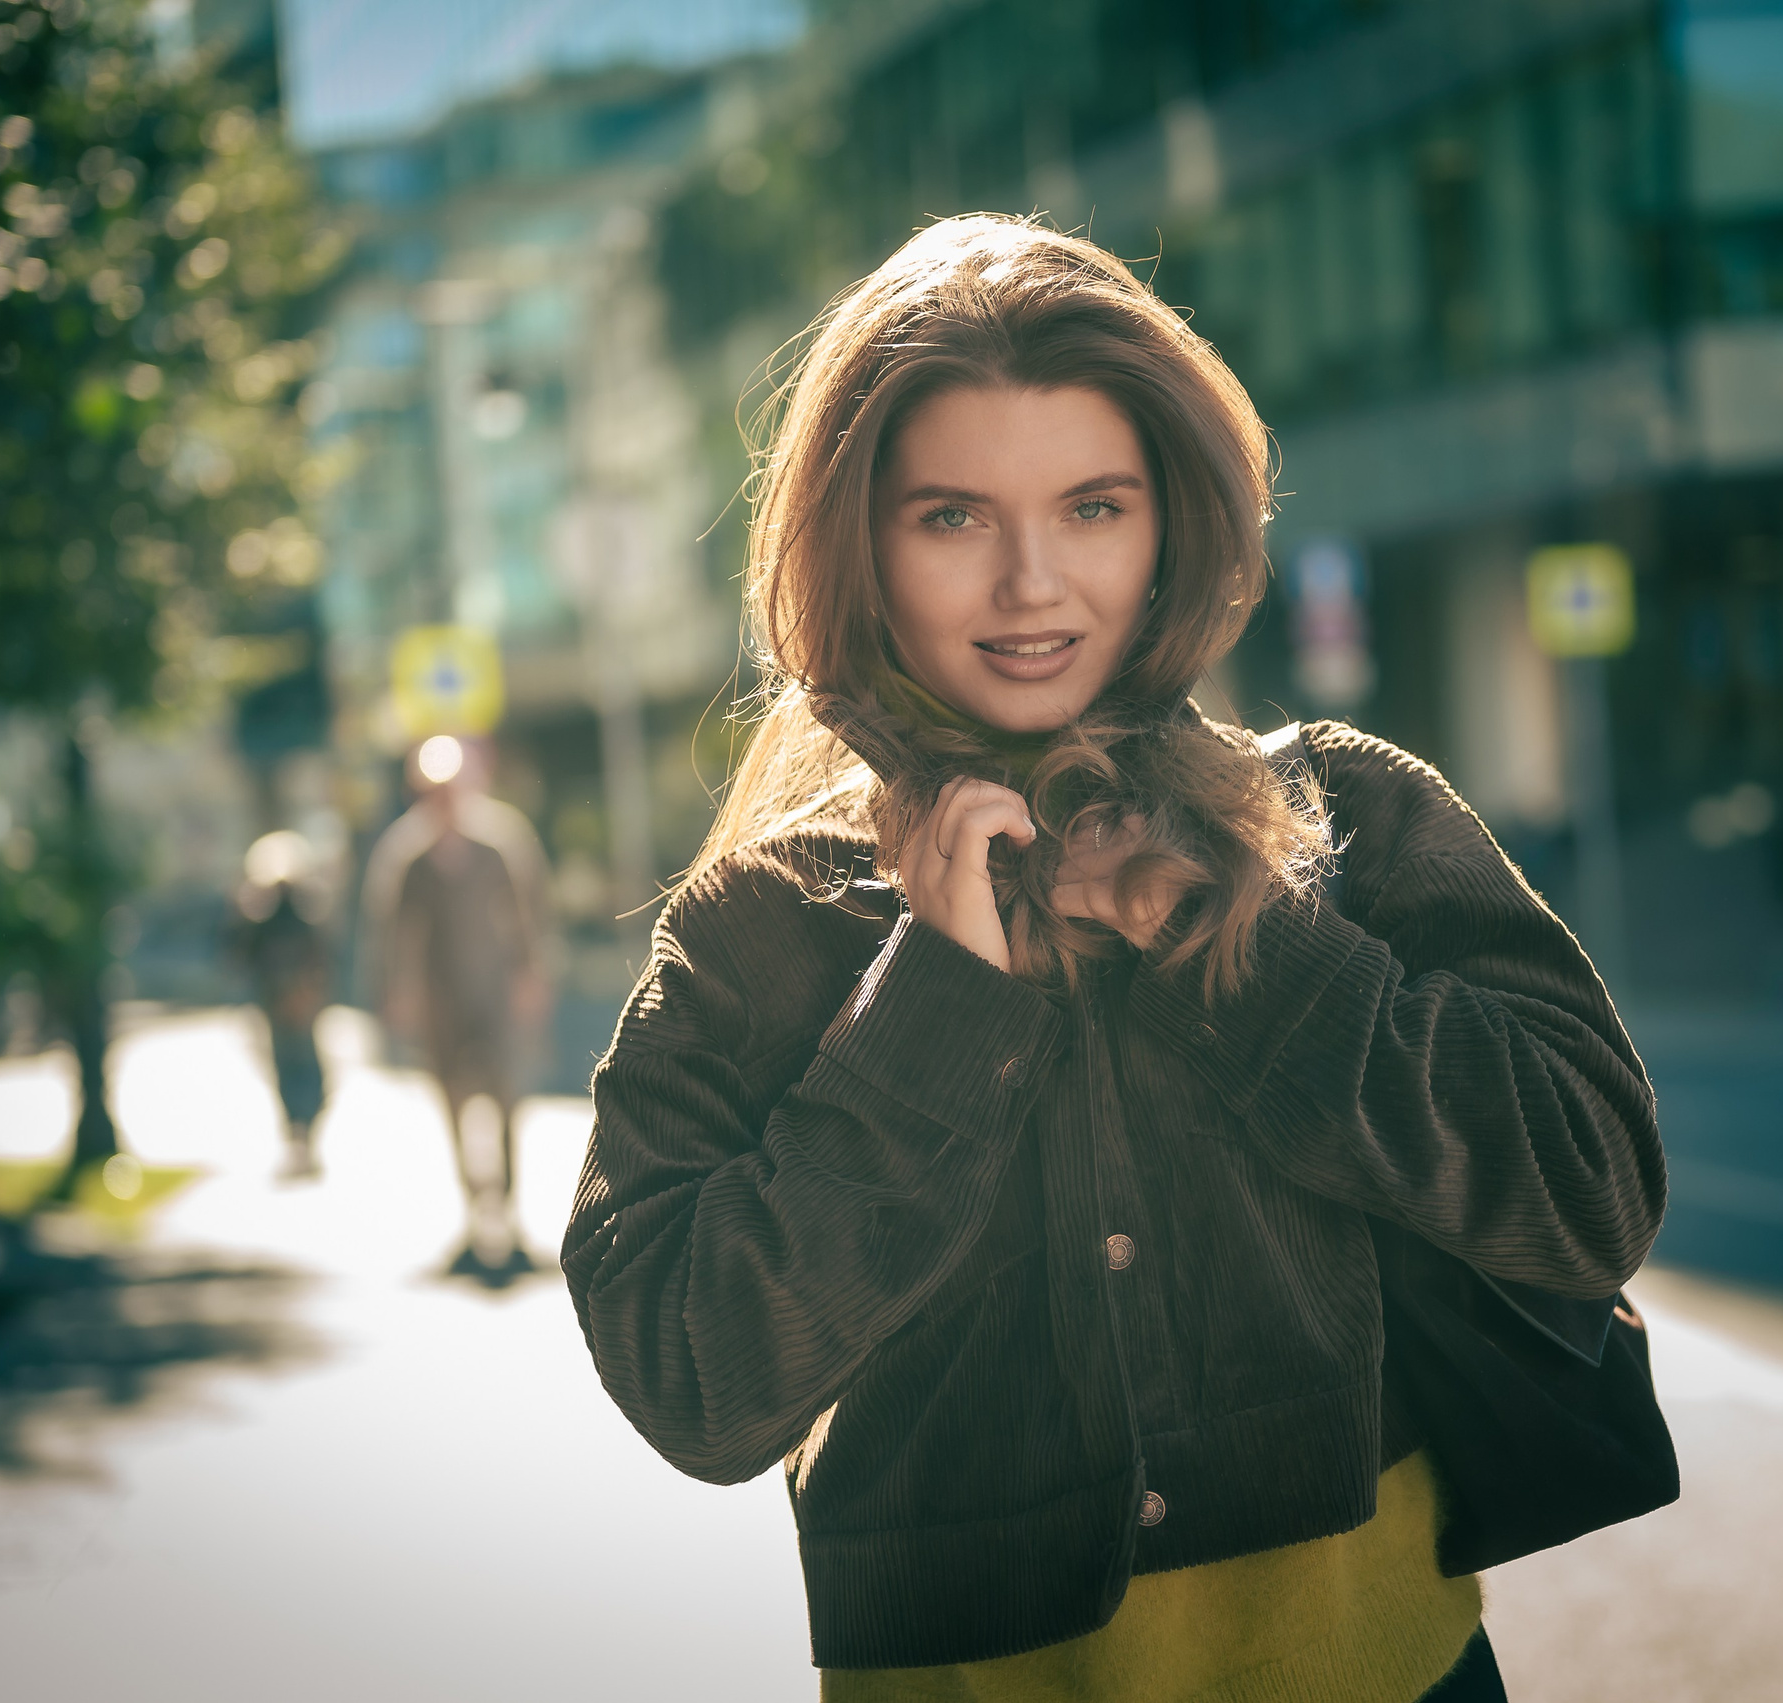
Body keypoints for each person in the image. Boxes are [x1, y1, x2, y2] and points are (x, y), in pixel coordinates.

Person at [561, 216, 1666, 1701]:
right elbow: (693, 1381)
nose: (1033, 583)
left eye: (1093, 505)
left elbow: (1590, 1192)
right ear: (860, 543)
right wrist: (929, 1016)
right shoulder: (761, 927)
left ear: (1174, 523)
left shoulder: (1342, 815)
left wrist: (1248, 945)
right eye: (952, 516)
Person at [363, 734, 553, 1282]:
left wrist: (530, 976)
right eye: (432, 791)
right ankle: (474, 1216)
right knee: (452, 1102)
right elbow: (392, 933)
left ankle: (509, 1216)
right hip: (440, 1000)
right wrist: (395, 994)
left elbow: (528, 915)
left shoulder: (499, 843)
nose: (443, 800)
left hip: (493, 995)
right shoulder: (408, 858)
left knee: (505, 1100)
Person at [232, 829, 333, 1179]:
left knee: (302, 1067)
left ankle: (303, 1133)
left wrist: (310, 991)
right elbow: (241, 955)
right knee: (290, 1068)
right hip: (277, 1002)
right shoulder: (262, 913)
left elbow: (321, 955)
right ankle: (298, 1134)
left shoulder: (304, 911)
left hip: (299, 1003)